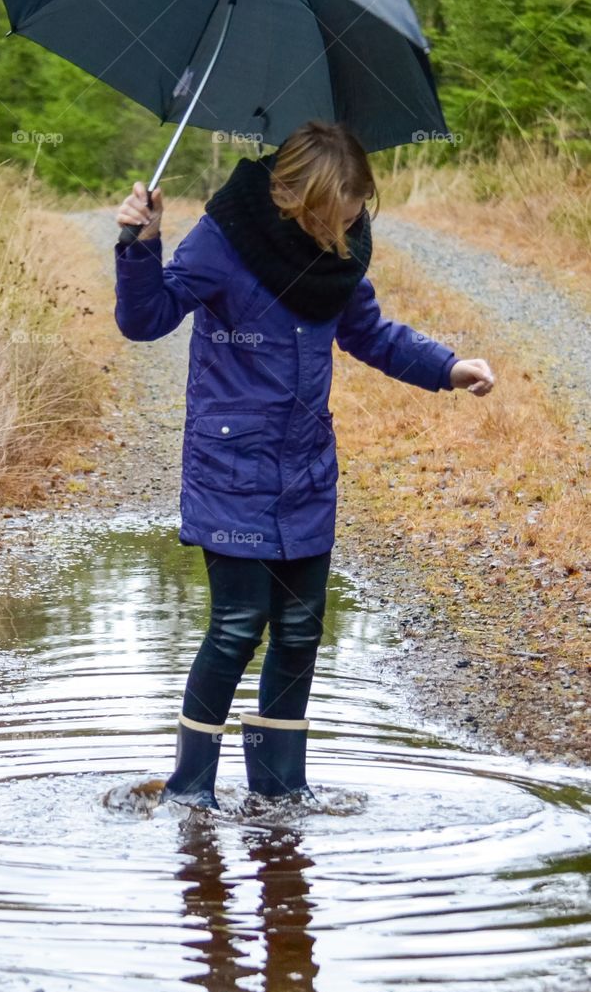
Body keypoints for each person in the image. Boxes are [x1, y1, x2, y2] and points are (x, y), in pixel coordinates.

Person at [113, 121, 494, 811]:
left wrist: (447, 367)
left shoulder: (337, 256)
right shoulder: (223, 240)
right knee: (236, 625)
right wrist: (139, 244)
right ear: (294, 196)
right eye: (333, 213)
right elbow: (146, 320)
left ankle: (280, 789)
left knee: (298, 628)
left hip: (305, 470)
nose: (344, 227)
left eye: (354, 214)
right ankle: (188, 789)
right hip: (231, 466)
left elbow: (369, 333)